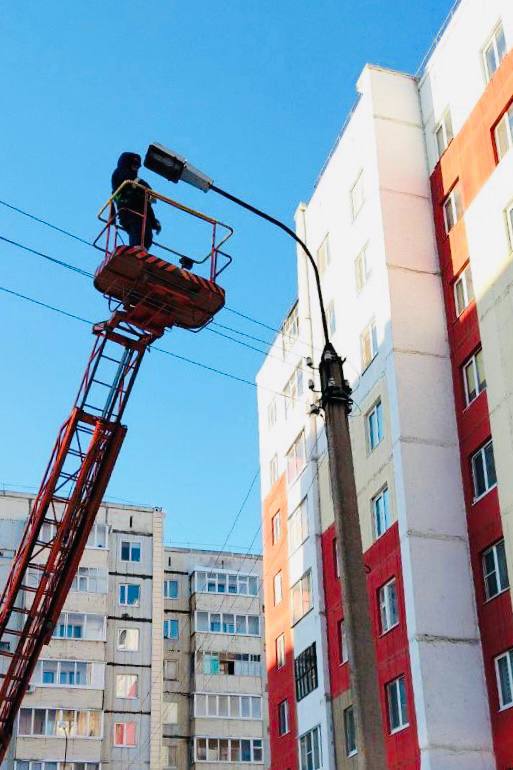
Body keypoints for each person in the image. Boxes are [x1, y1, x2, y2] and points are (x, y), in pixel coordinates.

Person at [111, 152, 161, 250]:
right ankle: (136, 249)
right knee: (137, 228)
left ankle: (142, 249)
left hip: (139, 211)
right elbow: (129, 177)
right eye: (134, 165)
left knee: (146, 232)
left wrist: (154, 221)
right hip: (128, 210)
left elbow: (147, 206)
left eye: (138, 166)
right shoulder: (120, 173)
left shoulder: (138, 189)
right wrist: (146, 187)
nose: (136, 168)